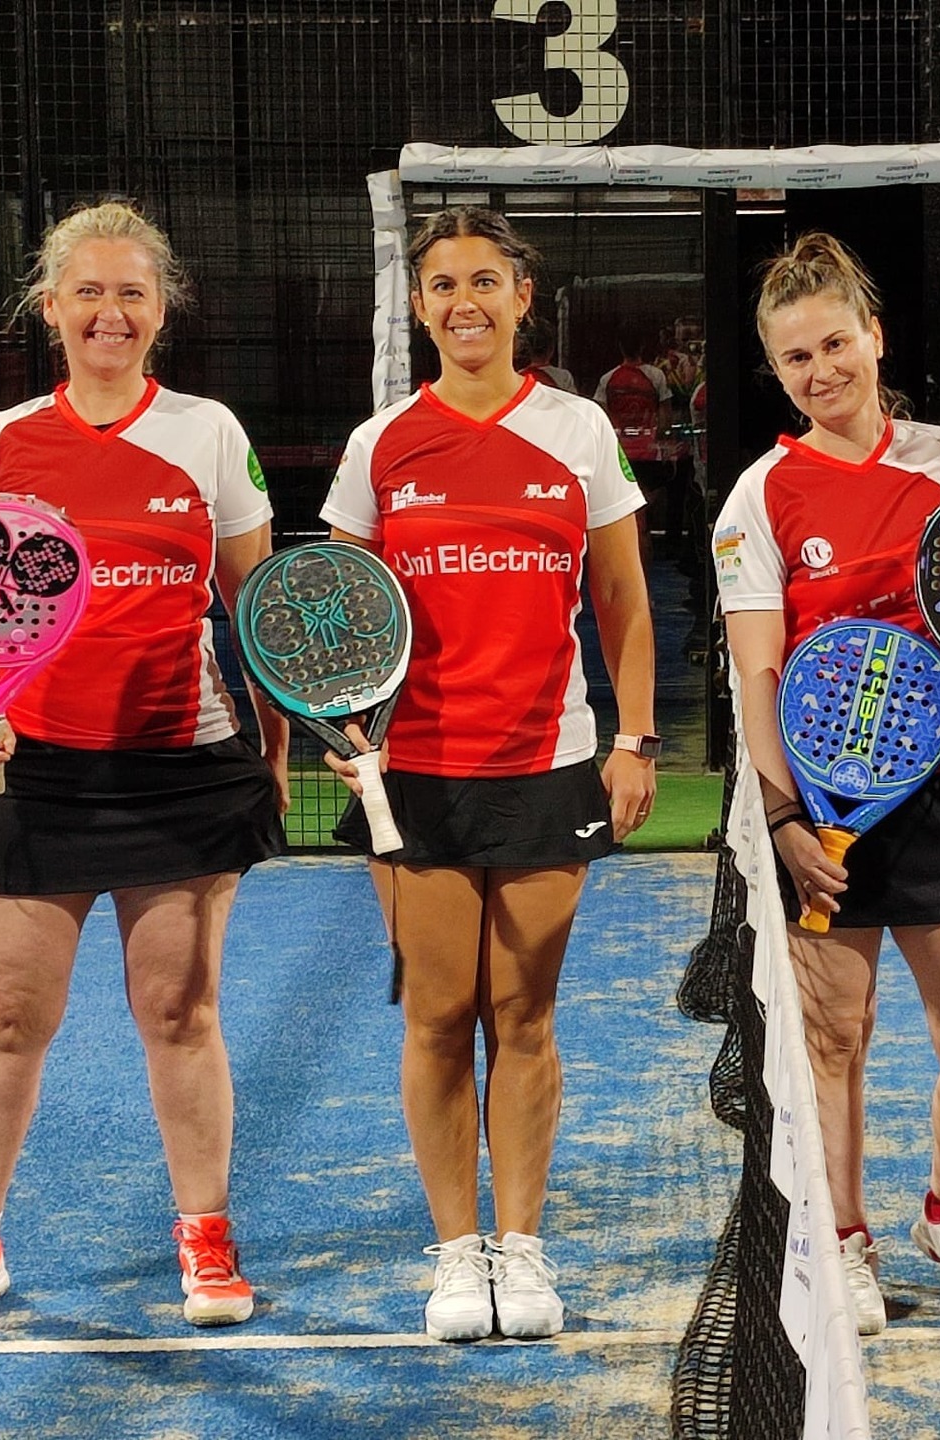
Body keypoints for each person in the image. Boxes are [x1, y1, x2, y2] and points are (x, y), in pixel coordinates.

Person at [0, 200, 289, 1335]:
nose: (109, 313)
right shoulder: (2, 441)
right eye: (89, 292)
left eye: (131, 293)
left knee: (180, 1010)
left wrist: (272, 751)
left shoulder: (209, 433)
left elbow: (256, 610)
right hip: (33, 775)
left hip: (183, 764)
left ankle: (206, 1241)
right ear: (51, 307)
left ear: (161, 310)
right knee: (6, 1017)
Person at [319, 204, 658, 1343]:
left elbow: (622, 599)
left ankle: (522, 1243)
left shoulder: (578, 430)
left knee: (524, 1012)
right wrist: (345, 730)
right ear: (420, 308)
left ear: (523, 297)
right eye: (443, 285)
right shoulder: (380, 445)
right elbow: (337, 617)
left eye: (484, 281)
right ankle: (457, 1254)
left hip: (547, 764)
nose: (464, 302)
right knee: (436, 1013)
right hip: (413, 772)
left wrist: (634, 738)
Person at [713, 233, 940, 1336]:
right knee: (832, 1036)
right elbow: (758, 671)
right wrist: (785, 815)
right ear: (775, 370)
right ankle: (843, 1239)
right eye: (795, 358)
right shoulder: (759, 497)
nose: (820, 371)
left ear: (875, 338)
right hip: (822, 802)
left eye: (835, 344)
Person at [594, 325, 676, 540]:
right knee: (644, 514)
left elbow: (601, 420)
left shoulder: (607, 379)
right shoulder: (656, 376)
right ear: (643, 346)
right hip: (649, 456)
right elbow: (666, 420)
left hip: (620, 457)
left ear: (620, 347)